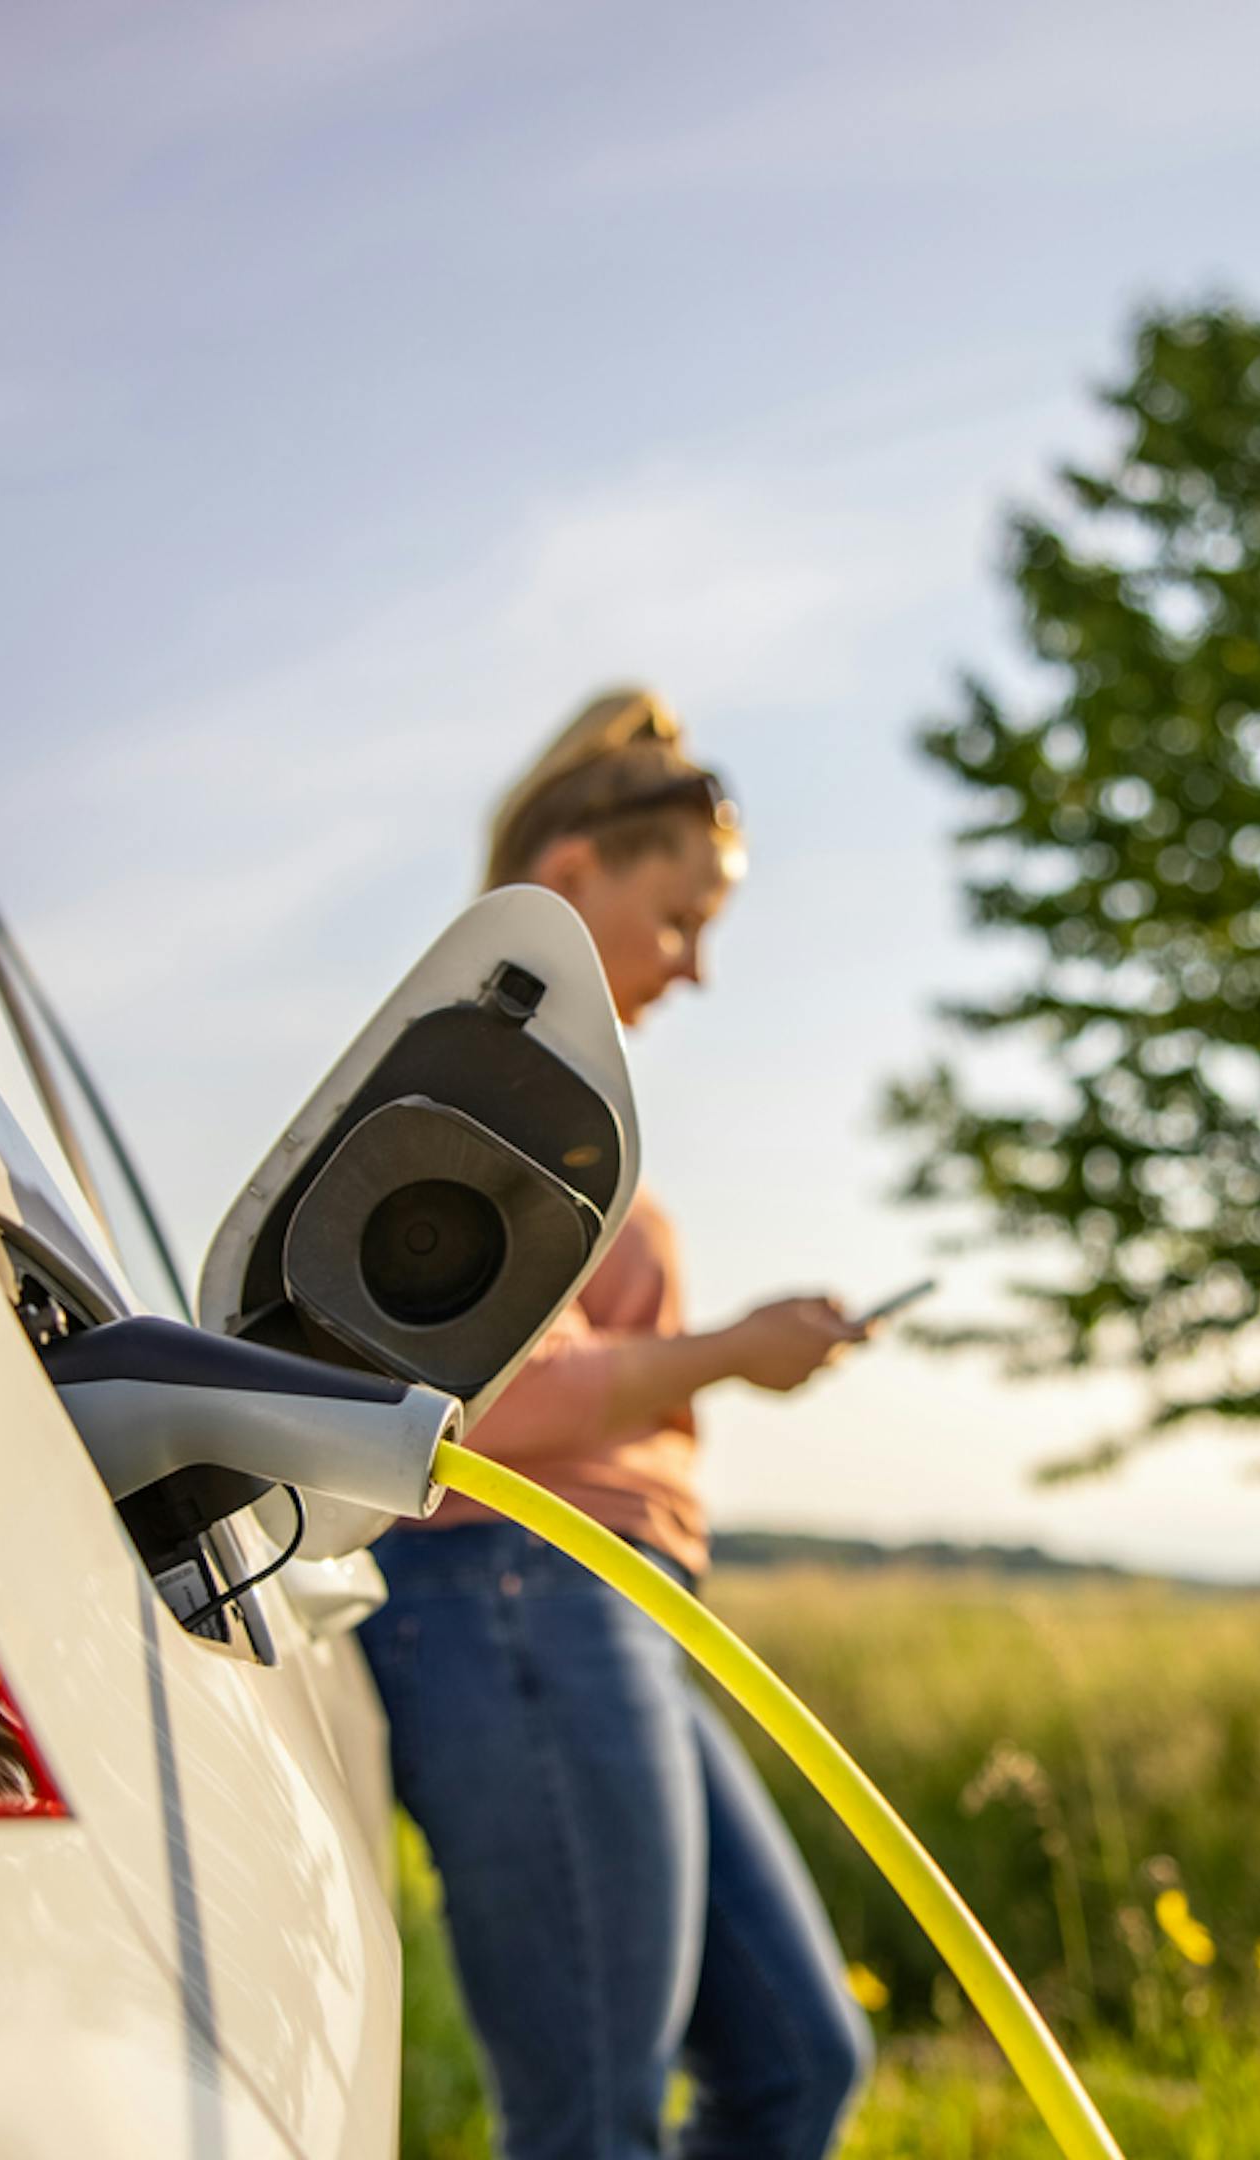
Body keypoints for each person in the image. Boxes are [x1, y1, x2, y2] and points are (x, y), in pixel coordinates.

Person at [359, 689, 875, 2160]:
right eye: (683, 917)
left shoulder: (543, 1080)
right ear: (576, 875)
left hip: (603, 1614)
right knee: (589, 2127)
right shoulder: (471, 1073)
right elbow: (487, 1387)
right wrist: (727, 1353)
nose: (698, 969)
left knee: (798, 2065)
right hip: (513, 1604)